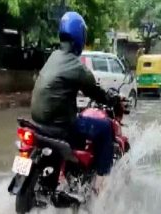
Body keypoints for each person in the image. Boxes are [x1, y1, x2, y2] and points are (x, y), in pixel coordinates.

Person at [30, 11, 119, 193]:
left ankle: (72, 172)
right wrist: (113, 101)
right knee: (104, 127)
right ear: (80, 36)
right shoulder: (77, 67)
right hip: (60, 126)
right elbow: (96, 93)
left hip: (38, 123)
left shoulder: (53, 57)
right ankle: (100, 185)